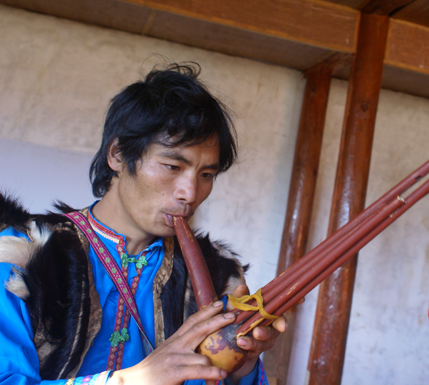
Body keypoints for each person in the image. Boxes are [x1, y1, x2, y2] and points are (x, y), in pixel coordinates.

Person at [0, 63, 286, 385]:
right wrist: (133, 379)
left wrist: (241, 368)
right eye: (172, 166)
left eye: (206, 175)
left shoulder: (218, 273)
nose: (190, 193)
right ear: (117, 155)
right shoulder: (23, 255)